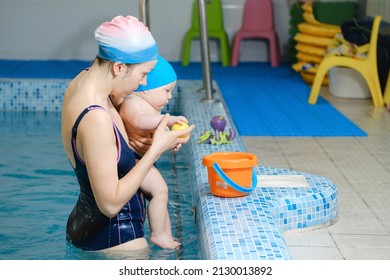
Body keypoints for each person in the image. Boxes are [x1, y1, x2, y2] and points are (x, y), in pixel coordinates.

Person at [61, 15, 194, 252]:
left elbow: (107, 150)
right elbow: (110, 204)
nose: (143, 83)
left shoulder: (82, 82)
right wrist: (156, 150)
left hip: (85, 227)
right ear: (119, 67)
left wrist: (134, 138)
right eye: (143, 74)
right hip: (116, 241)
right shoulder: (96, 118)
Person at [114, 55, 187, 249]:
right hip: (134, 162)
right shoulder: (133, 103)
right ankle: (158, 234)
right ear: (147, 89)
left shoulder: (150, 107)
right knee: (160, 191)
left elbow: (155, 133)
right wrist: (168, 120)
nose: (169, 97)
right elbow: (139, 121)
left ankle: (166, 236)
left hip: (144, 159)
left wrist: (172, 140)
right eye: (166, 91)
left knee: (161, 194)